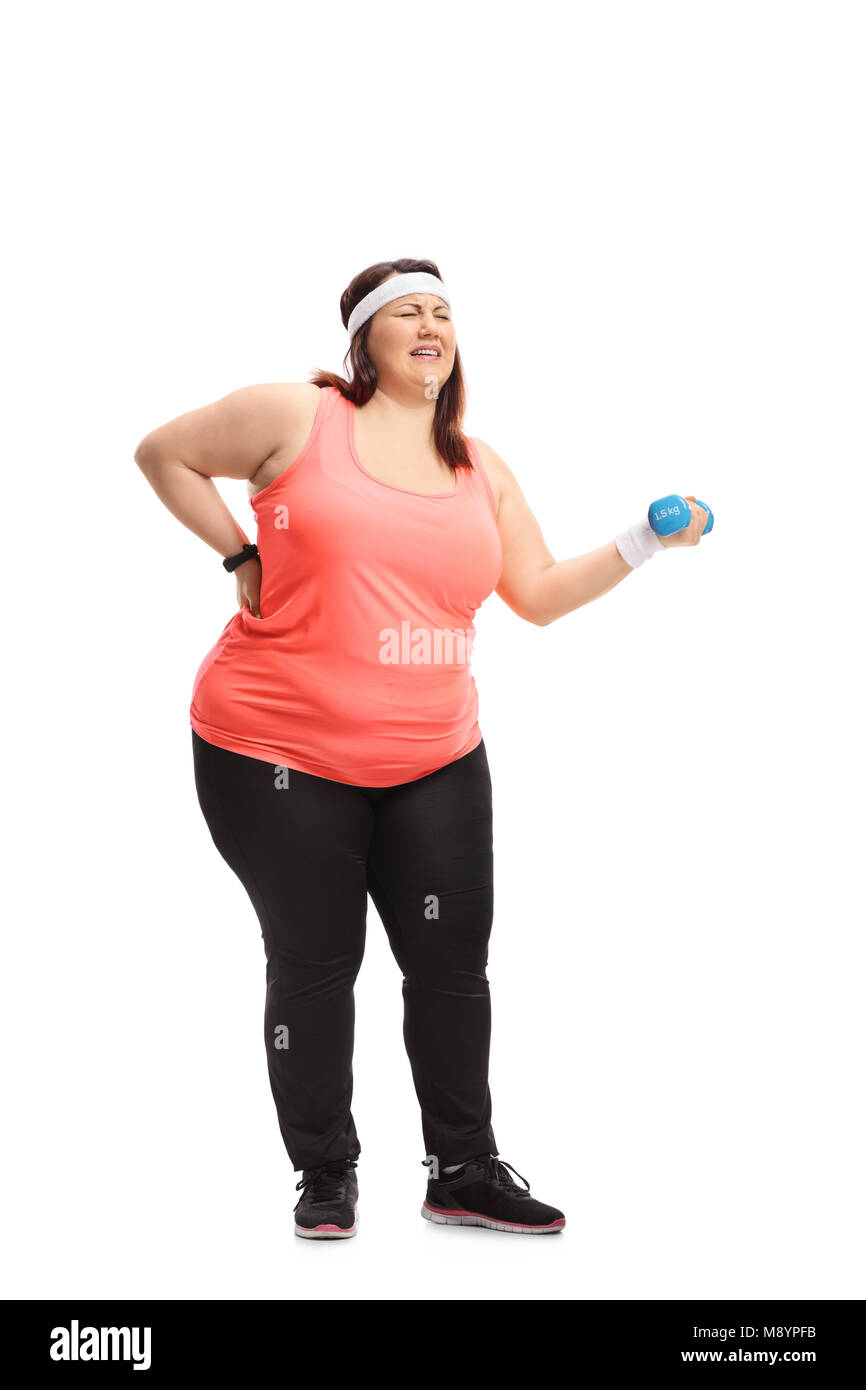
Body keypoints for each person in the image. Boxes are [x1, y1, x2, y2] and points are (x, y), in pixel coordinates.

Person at [134, 258, 709, 1240]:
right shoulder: (296, 416)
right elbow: (162, 452)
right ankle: (325, 1172)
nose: (431, 324)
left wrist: (640, 542)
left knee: (451, 965)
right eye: (406, 312)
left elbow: (531, 595)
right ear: (365, 339)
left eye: (443, 311)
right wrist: (239, 552)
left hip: (434, 755)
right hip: (277, 748)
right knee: (316, 961)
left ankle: (463, 1169)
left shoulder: (478, 469)